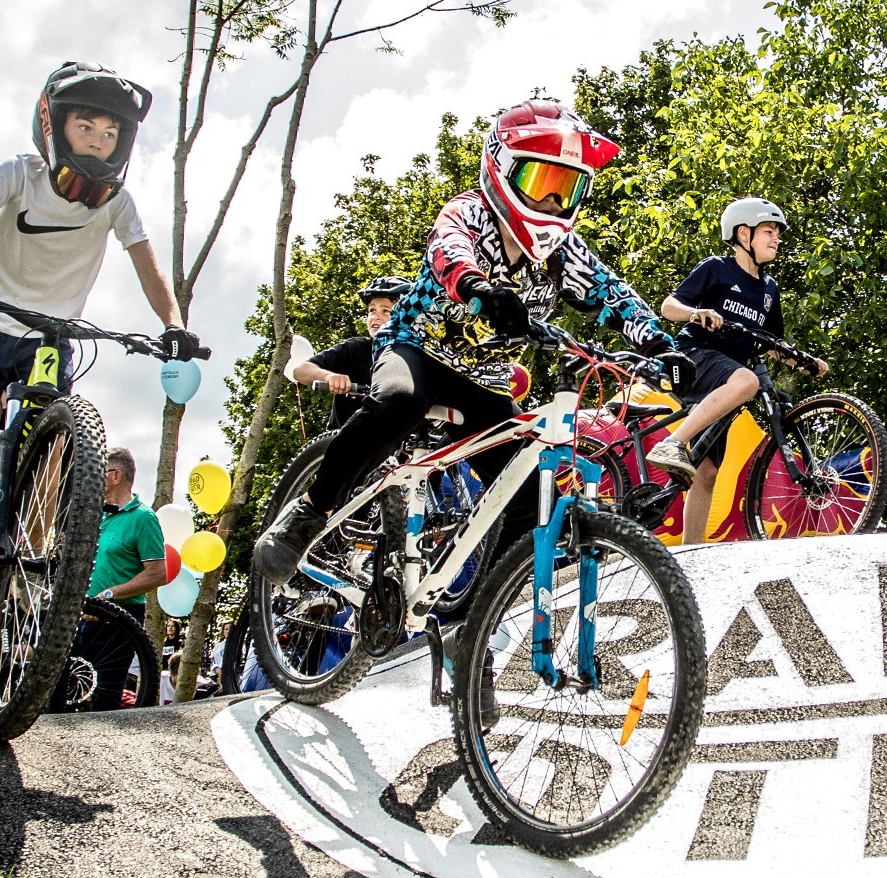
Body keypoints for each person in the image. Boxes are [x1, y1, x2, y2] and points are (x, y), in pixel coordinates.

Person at [254, 103, 669, 582]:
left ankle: (479, 624)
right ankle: (309, 512)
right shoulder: (470, 212)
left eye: (566, 189)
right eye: (542, 183)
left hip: (483, 381)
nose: (553, 204)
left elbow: (610, 293)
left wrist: (661, 346)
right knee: (398, 402)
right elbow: (450, 251)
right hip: (418, 351)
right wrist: (479, 288)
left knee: (531, 500)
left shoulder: (563, 253)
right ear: (502, 170)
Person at [0, 63, 204, 626]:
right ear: (55, 126)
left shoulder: (116, 201)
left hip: (49, 339)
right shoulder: (20, 173)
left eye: (111, 134)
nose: (99, 142)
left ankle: (26, 574)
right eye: (88, 128)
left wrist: (174, 325)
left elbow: (150, 269)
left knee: (52, 455)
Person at [650, 200, 829, 544]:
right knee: (747, 381)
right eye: (768, 231)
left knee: (706, 473)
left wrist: (802, 361)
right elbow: (669, 307)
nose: (776, 238)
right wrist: (696, 313)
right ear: (742, 233)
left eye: (777, 233)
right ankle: (673, 444)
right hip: (694, 356)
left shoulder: (769, 289)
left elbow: (773, 342)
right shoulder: (717, 268)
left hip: (727, 379)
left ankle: (691, 555)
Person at [68, 446, 169, 709]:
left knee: (106, 697)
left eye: (99, 471)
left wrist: (109, 595)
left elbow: (158, 573)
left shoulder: (143, 518)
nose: (94, 478)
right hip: (79, 616)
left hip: (119, 620)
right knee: (62, 688)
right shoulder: (95, 514)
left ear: (115, 476)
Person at [285, 278, 411, 426]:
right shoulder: (356, 348)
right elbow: (301, 370)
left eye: (386, 311)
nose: (376, 317)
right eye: (372, 310)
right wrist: (330, 377)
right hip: (345, 440)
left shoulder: (414, 357)